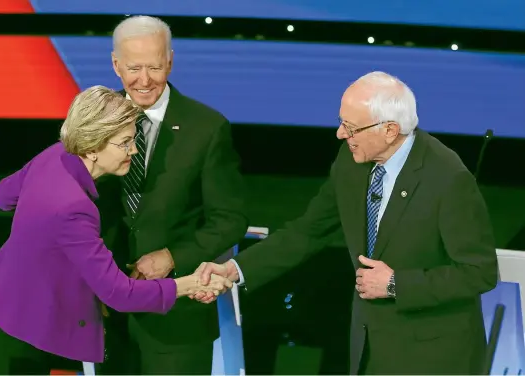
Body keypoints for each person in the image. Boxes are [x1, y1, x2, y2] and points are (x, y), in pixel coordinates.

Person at [194, 72, 499, 375]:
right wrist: (234, 270)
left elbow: (478, 272)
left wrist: (396, 284)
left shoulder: (448, 178)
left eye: (351, 127)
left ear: (390, 130)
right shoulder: (352, 160)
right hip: (369, 345)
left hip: (434, 356)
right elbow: (309, 230)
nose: (340, 134)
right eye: (341, 122)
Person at [0, 86, 232, 375]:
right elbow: (119, 294)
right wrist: (190, 285)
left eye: (134, 139)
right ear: (92, 148)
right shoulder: (73, 207)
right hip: (31, 325)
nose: (134, 150)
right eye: (124, 143)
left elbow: (2, 196)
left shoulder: (55, 155)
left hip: (7, 300)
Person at [94, 15, 248, 375]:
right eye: (134, 68)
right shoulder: (93, 121)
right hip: (106, 315)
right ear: (115, 65)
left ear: (171, 61)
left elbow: (230, 219)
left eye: (155, 66)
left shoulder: (206, 128)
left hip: (177, 320)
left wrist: (172, 256)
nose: (144, 80)